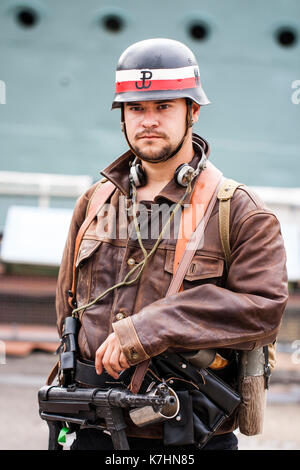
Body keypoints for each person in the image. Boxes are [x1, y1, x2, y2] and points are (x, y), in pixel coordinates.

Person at [55, 38, 288, 451]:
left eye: (164, 106)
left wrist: (150, 328)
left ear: (192, 111)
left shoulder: (239, 212)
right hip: (90, 427)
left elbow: (264, 310)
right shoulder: (92, 204)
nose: (148, 120)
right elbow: (66, 309)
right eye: (136, 108)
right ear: (122, 116)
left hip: (186, 437)